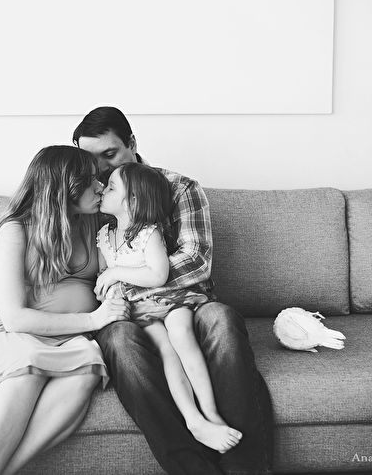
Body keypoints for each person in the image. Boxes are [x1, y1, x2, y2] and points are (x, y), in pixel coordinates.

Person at [73, 107, 274, 475]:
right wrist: (121, 296)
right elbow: (94, 273)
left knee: (222, 321)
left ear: (132, 143)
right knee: (120, 343)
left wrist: (130, 283)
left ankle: (244, 467)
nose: (100, 169)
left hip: (188, 302)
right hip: (127, 313)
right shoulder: (91, 197)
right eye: (91, 159)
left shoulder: (179, 187)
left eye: (110, 154)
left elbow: (195, 261)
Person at [0, 145, 130, 475]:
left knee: (88, 367)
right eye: (91, 181)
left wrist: (114, 286)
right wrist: (94, 318)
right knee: (28, 364)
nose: (100, 187)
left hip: (68, 336)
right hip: (13, 332)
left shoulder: (92, 221)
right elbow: (14, 318)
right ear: (66, 188)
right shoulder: (14, 229)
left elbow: (113, 265)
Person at [95, 162, 243, 454]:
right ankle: (193, 419)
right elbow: (102, 281)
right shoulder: (103, 235)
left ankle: (211, 413)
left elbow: (159, 275)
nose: (103, 190)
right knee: (166, 351)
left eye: (111, 187)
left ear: (132, 201)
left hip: (174, 299)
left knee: (181, 335)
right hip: (140, 310)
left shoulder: (149, 233)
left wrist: (116, 273)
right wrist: (109, 291)